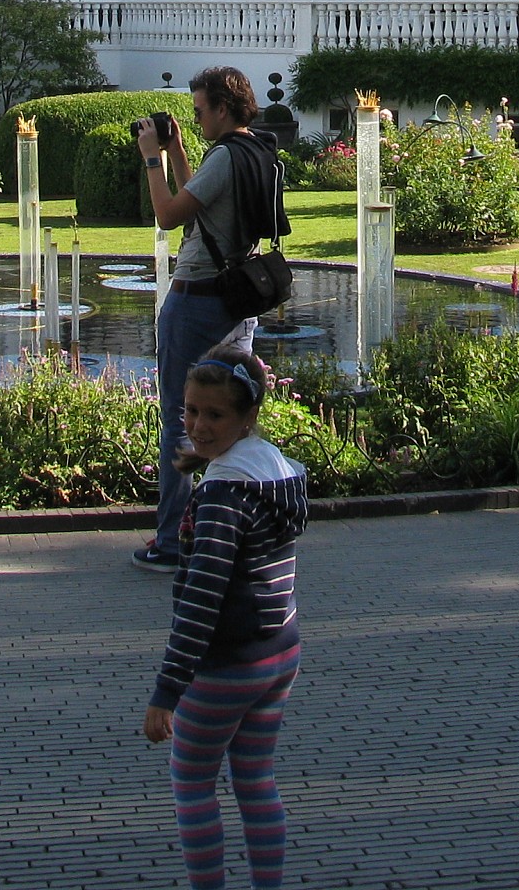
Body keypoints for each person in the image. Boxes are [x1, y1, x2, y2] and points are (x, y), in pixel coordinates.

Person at [142, 339, 308, 890]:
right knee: (256, 779)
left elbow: (202, 599)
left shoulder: (222, 496)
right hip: (279, 652)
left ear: (247, 417)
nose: (198, 425)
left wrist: (168, 690)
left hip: (228, 664)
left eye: (215, 414)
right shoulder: (273, 473)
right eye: (189, 410)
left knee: (191, 784)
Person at [133, 66, 287, 572]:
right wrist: (178, 152)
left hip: (197, 297)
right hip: (237, 300)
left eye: (200, 110)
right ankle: (233, 527)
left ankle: (172, 543)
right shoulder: (257, 149)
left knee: (180, 418)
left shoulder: (225, 155)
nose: (196, 117)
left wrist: (152, 160)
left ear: (223, 107)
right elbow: (201, 206)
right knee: (233, 417)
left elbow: (169, 214)